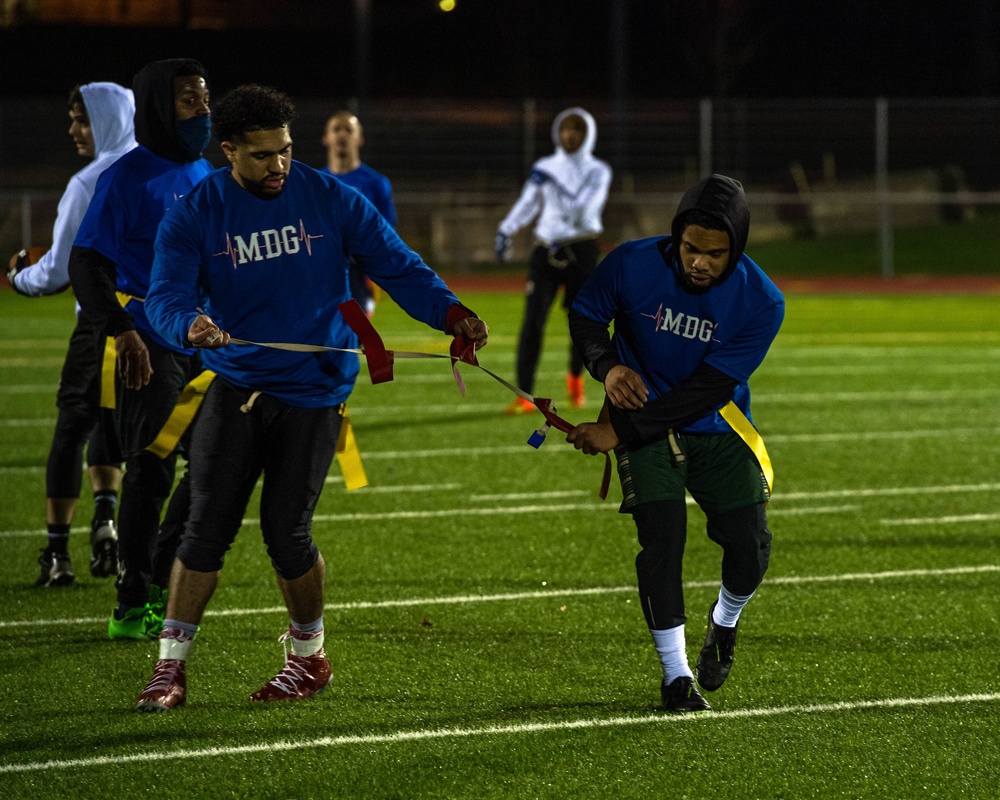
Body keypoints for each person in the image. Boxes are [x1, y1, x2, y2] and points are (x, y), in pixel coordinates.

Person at [134, 84, 489, 712]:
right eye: (264, 156)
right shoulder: (196, 209)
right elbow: (163, 295)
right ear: (230, 152)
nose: (280, 167)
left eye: (287, 152)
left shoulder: (329, 197)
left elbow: (398, 264)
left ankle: (308, 659)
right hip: (236, 383)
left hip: (315, 390)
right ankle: (169, 669)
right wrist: (185, 324)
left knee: (286, 532)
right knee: (204, 528)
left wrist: (451, 312)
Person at [565, 174, 784, 713]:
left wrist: (617, 430)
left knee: (750, 546)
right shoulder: (630, 262)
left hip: (716, 424)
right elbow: (587, 316)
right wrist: (608, 365)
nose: (699, 263)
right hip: (642, 423)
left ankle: (724, 623)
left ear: (737, 248)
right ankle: (676, 677)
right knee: (663, 539)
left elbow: (706, 389)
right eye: (690, 249)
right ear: (674, 237)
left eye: (715, 253)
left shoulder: (762, 301)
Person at [68, 58, 214, 640]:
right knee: (150, 470)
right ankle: (133, 600)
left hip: (206, 345)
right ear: (157, 105)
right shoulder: (126, 177)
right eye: (188, 100)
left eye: (206, 97)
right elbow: (87, 261)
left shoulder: (207, 172)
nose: (203, 108)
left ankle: (155, 574)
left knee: (211, 468)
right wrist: (121, 331)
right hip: (150, 342)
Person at [6, 82, 135, 587]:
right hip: (150, 326)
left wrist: (20, 276)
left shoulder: (90, 181)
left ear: (104, 119)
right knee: (120, 431)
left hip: (101, 325)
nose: (74, 130)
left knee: (71, 432)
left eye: (82, 119)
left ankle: (57, 553)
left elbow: (58, 271)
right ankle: (108, 524)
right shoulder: (160, 169)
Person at [494, 106, 612, 413]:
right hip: (545, 250)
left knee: (582, 322)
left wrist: (555, 190)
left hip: (581, 250)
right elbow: (528, 203)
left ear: (587, 134)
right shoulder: (545, 165)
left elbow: (585, 208)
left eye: (577, 128)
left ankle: (575, 377)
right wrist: (506, 229)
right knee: (532, 321)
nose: (570, 134)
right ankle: (524, 393)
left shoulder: (598, 171)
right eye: (565, 128)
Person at [321, 109, 398, 317]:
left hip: (360, 271)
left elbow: (387, 228)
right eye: (336, 129)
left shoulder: (376, 183)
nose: (342, 134)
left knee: (357, 332)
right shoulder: (316, 183)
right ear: (326, 138)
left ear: (359, 139)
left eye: (349, 129)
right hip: (324, 271)